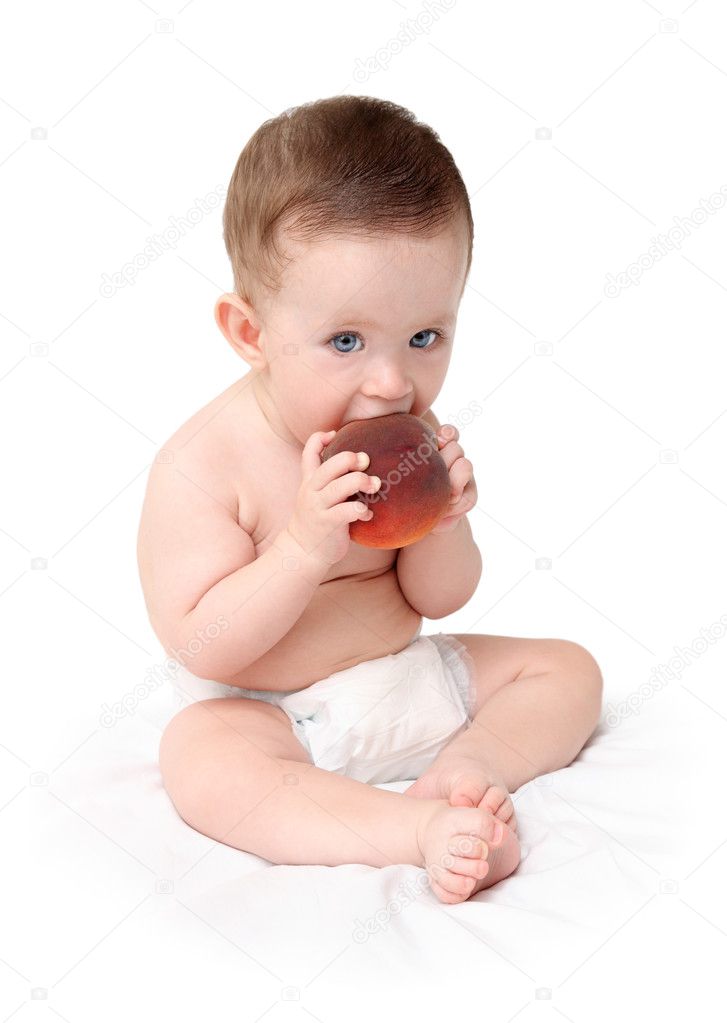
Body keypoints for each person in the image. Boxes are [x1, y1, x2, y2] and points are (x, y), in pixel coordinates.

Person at [137, 95, 603, 905]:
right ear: (250, 333)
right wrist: (301, 548)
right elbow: (204, 645)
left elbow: (439, 597)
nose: (392, 383)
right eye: (345, 341)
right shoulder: (204, 465)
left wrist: (443, 522)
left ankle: (469, 770)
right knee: (201, 762)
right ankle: (414, 831)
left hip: (411, 677)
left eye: (425, 337)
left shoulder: (402, 428)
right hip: (272, 717)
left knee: (568, 670)